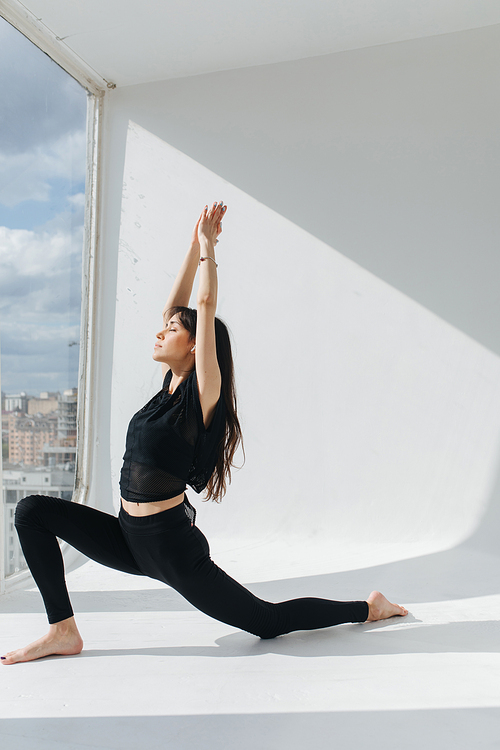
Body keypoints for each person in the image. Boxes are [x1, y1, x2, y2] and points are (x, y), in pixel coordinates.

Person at [1, 202, 407, 665]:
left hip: (171, 549)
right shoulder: (166, 388)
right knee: (32, 511)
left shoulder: (201, 394)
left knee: (267, 623)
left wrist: (209, 251)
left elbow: (204, 306)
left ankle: (369, 608)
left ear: (195, 345)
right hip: (128, 538)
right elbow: (177, 306)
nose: (160, 331)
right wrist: (192, 247)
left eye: (171, 329)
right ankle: (63, 629)